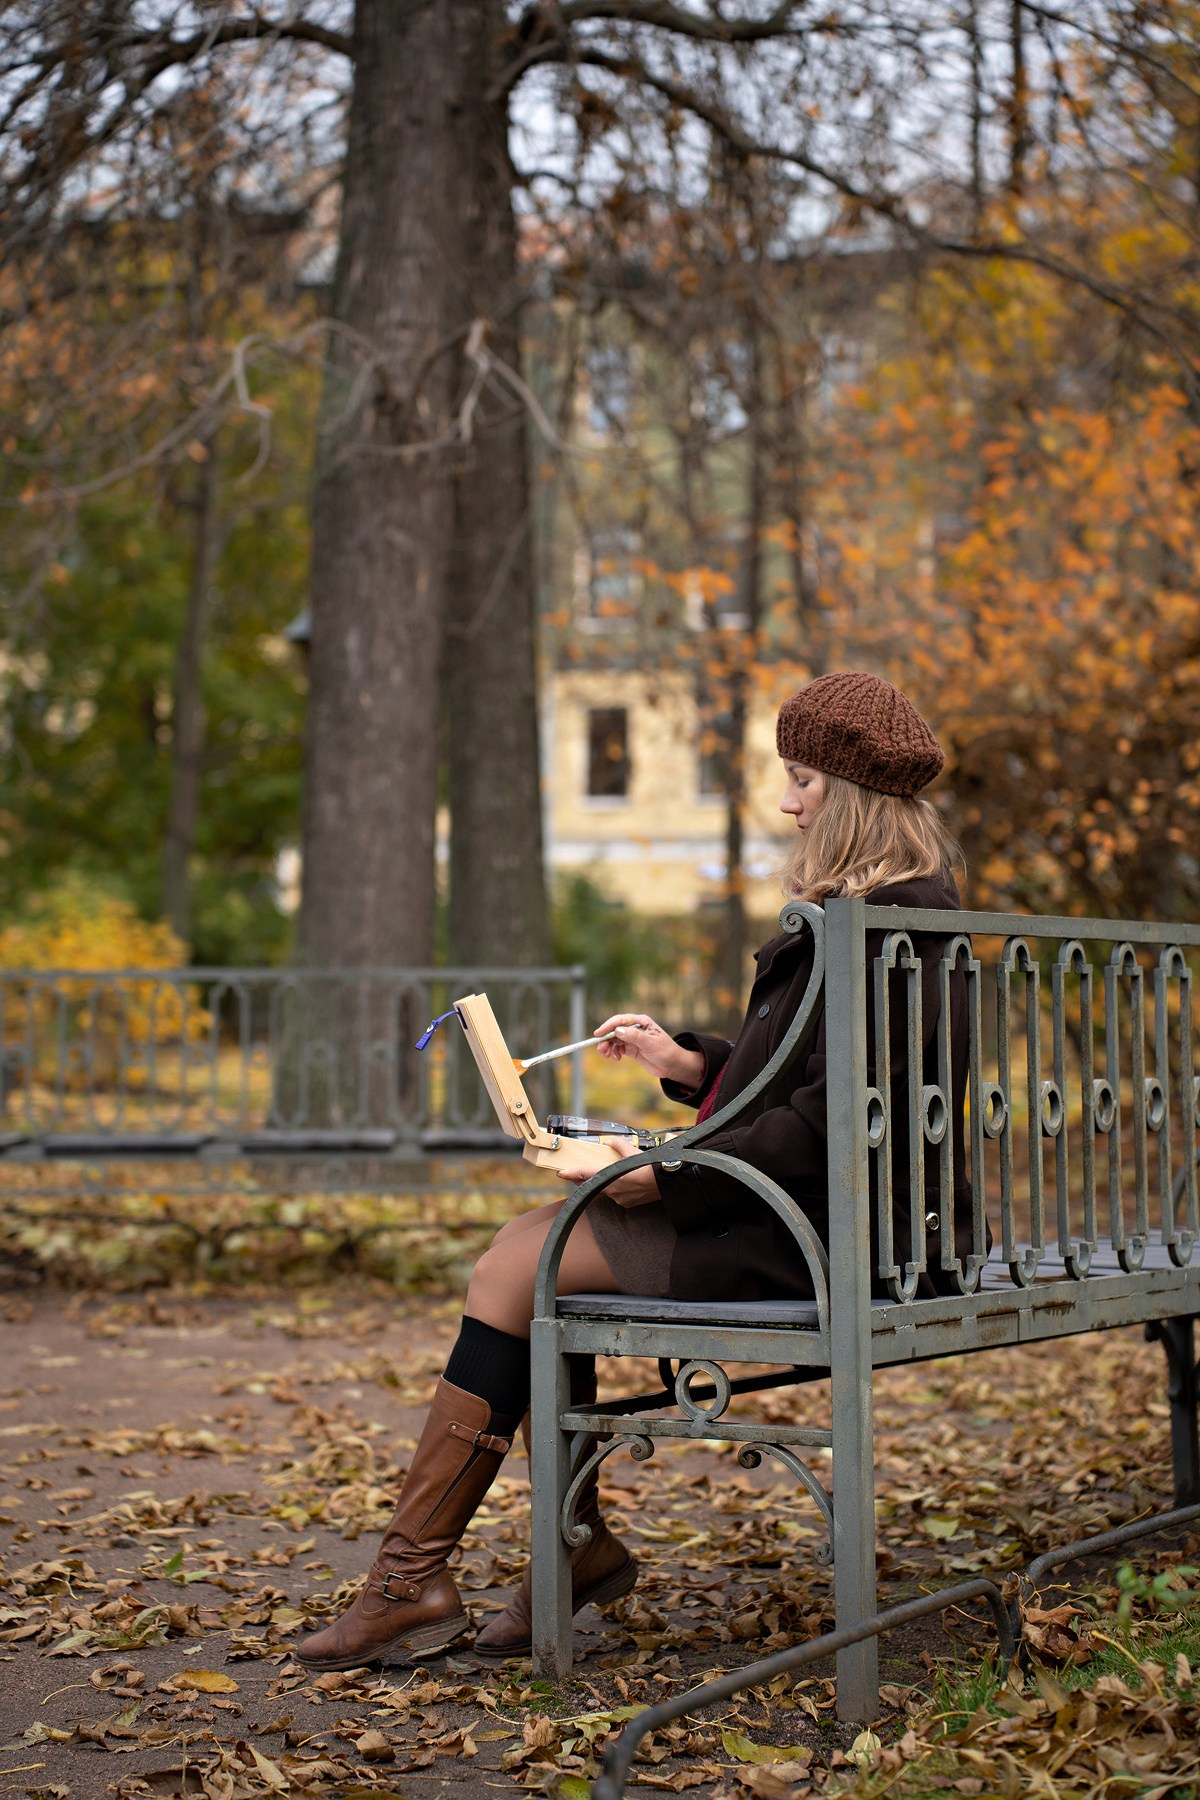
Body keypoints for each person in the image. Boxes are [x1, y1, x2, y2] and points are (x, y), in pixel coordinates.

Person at [295, 670, 972, 1673]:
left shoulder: (897, 929)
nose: (788, 804)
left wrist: (666, 1175)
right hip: (797, 1205)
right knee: (524, 1256)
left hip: (851, 1233)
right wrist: (686, 1064)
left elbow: (833, 1119)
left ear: (853, 793)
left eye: (802, 782)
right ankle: (506, 1560)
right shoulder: (864, 917)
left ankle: (428, 1580)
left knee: (521, 1265)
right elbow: (805, 1085)